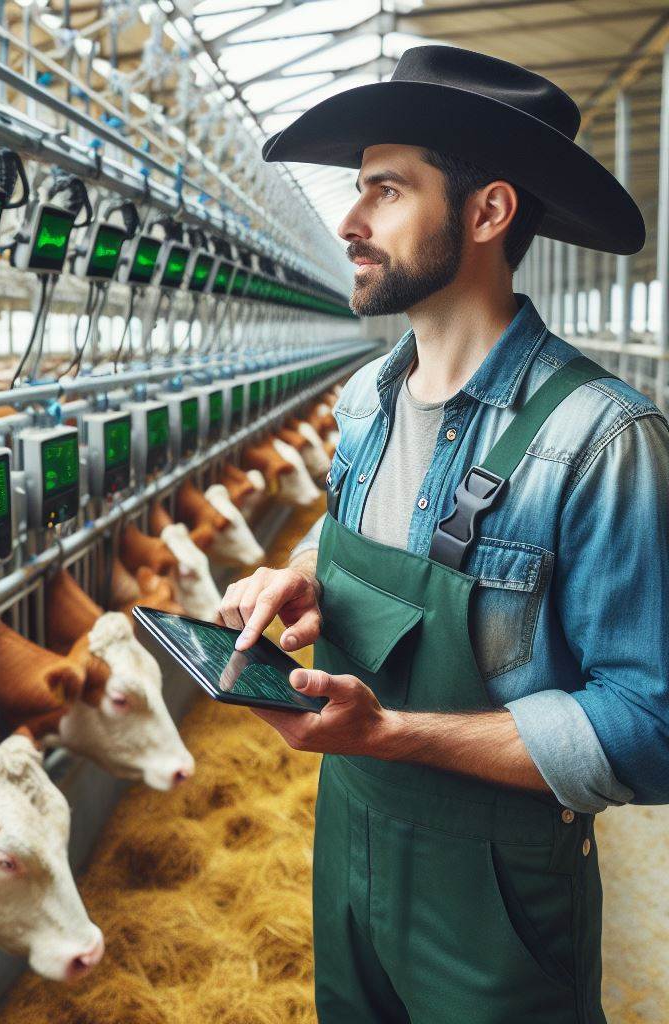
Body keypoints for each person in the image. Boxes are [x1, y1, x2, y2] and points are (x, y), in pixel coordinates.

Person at [218, 44, 669, 1023]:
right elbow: (364, 546)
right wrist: (301, 579)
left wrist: (390, 733)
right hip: (344, 851)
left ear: (487, 212)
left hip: (498, 899)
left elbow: (651, 728)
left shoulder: (600, 438)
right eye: (357, 190)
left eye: (385, 190)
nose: (349, 222)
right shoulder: (362, 404)